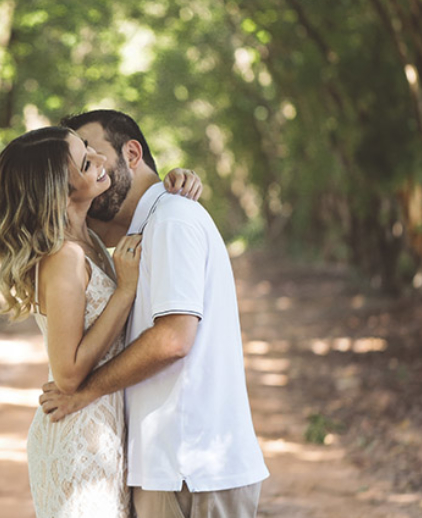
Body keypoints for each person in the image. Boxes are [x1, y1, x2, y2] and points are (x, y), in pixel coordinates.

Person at [40, 110, 269, 518]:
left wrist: (86, 390)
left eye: (94, 156)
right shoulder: (141, 230)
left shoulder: (171, 220)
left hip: (188, 467)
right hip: (168, 467)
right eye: (80, 164)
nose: (91, 172)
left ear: (131, 153)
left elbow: (173, 339)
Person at [0, 125, 202, 518]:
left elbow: (144, 208)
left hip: (105, 429)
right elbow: (67, 375)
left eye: (88, 148)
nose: (102, 159)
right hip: (78, 434)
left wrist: (176, 181)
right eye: (87, 162)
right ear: (61, 191)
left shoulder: (91, 239)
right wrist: (124, 292)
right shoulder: (63, 257)